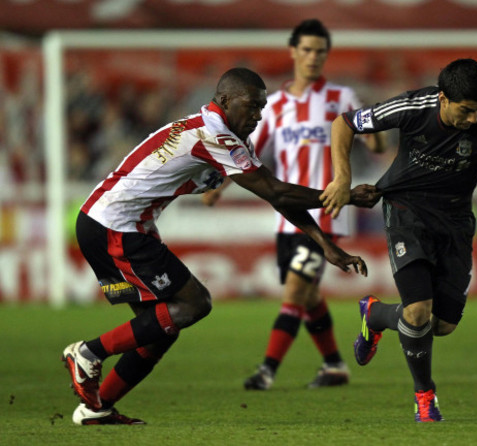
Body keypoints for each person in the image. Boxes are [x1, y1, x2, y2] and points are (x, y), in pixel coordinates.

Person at [61, 67, 380, 425]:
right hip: (114, 226)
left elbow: (275, 196)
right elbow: (276, 190)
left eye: (262, 108)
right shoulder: (215, 134)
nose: (258, 115)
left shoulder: (227, 135)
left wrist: (322, 243)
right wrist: (346, 196)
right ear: (225, 100)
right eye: (252, 106)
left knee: (161, 328)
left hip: (118, 225)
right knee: (193, 304)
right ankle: (88, 352)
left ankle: (96, 408)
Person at [320, 58, 477, 422]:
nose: (472, 120)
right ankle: (425, 397)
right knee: (418, 311)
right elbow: (344, 123)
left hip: (456, 220)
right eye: (465, 111)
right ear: (443, 98)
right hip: (408, 212)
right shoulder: (412, 107)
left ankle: (376, 314)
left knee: (441, 325)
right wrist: (342, 178)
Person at [203, 19, 385, 390]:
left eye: (320, 50)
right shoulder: (273, 105)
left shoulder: (342, 98)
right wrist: (219, 184)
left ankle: (267, 370)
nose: (313, 57)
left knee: (295, 292)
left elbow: (373, 139)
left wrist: (378, 141)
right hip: (288, 215)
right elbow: (242, 148)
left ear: (326, 55)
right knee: (309, 295)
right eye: (306, 49)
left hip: (328, 212)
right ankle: (335, 364)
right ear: (293, 52)